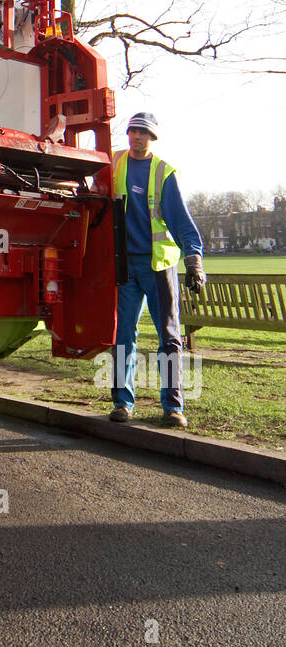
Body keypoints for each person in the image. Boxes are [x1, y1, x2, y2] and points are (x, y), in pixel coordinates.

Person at [109, 112, 206, 429]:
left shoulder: (164, 172)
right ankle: (122, 403)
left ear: (152, 138)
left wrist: (194, 259)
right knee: (122, 336)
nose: (135, 137)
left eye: (142, 133)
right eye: (132, 131)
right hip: (126, 267)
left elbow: (181, 221)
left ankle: (173, 407)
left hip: (158, 266)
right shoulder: (114, 164)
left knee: (169, 337)